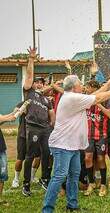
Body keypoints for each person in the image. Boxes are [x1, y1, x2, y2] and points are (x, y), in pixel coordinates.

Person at [42, 75, 110, 212]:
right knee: (59, 176)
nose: (83, 86)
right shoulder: (72, 98)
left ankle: (72, 205)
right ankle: (47, 209)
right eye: (81, 84)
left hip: (72, 145)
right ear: (74, 87)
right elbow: (98, 98)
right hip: (62, 145)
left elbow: (95, 94)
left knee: (74, 175)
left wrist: (109, 84)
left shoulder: (74, 97)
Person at [22, 47, 56, 196]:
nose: (39, 84)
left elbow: (51, 113)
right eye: (37, 82)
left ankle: (45, 179)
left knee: (47, 154)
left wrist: (52, 125)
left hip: (45, 129)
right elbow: (29, 76)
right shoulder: (29, 92)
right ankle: (26, 184)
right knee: (30, 155)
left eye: (41, 83)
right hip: (33, 127)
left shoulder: (46, 99)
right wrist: (31, 59)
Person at [83, 80, 110, 197]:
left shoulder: (105, 100)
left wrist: (98, 103)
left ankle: (103, 184)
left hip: (101, 135)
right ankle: (91, 183)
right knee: (88, 158)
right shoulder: (85, 99)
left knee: (101, 158)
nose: (86, 89)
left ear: (94, 88)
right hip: (88, 135)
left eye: (88, 87)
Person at [11, 102, 40, 188]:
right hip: (23, 135)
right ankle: (16, 179)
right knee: (20, 158)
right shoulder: (24, 103)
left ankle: (32, 176)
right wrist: (20, 110)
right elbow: (15, 113)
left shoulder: (41, 103)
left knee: (37, 157)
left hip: (36, 135)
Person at [0, 112, 16, 206]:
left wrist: (14, 113)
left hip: (1, 148)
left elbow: (2, 118)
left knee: (2, 174)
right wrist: (9, 118)